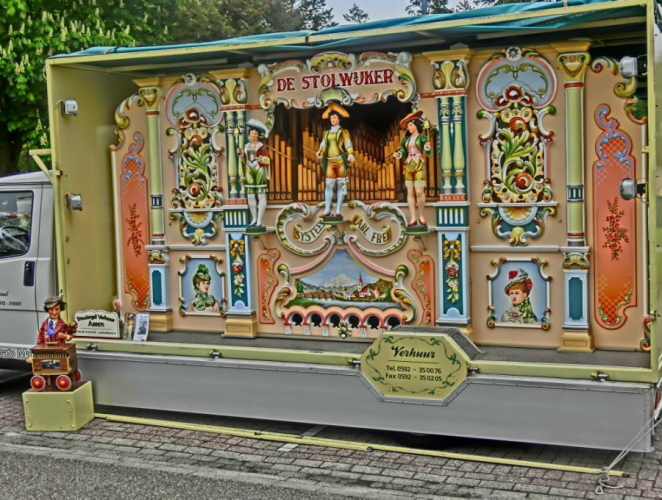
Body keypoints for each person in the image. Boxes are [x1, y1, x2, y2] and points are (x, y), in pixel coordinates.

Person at [393, 111, 432, 226]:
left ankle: (421, 215)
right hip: (408, 165)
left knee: (419, 191)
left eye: (410, 125)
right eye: (408, 126)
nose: (408, 128)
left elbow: (429, 153)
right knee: (410, 192)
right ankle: (413, 217)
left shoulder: (423, 138)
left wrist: (427, 147)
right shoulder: (405, 140)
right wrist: (398, 154)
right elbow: (403, 152)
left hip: (419, 163)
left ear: (416, 125)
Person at [317, 103, 355, 218]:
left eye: (334, 117)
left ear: (339, 119)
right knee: (328, 186)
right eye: (331, 117)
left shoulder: (343, 132)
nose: (332, 119)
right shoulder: (326, 133)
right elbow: (323, 144)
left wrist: (350, 154)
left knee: (340, 185)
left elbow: (348, 144)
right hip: (330, 162)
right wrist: (320, 151)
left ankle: (338, 209)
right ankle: (327, 209)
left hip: (340, 161)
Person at [237, 118, 271, 228]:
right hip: (249, 171)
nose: (253, 135)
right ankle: (254, 219)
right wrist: (241, 154)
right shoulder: (246, 146)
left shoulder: (261, 146)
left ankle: (259, 221)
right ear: (249, 134)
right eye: (252, 133)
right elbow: (244, 160)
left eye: (255, 133)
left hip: (259, 170)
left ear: (258, 135)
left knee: (261, 195)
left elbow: (268, 159)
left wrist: (262, 159)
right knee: (251, 196)